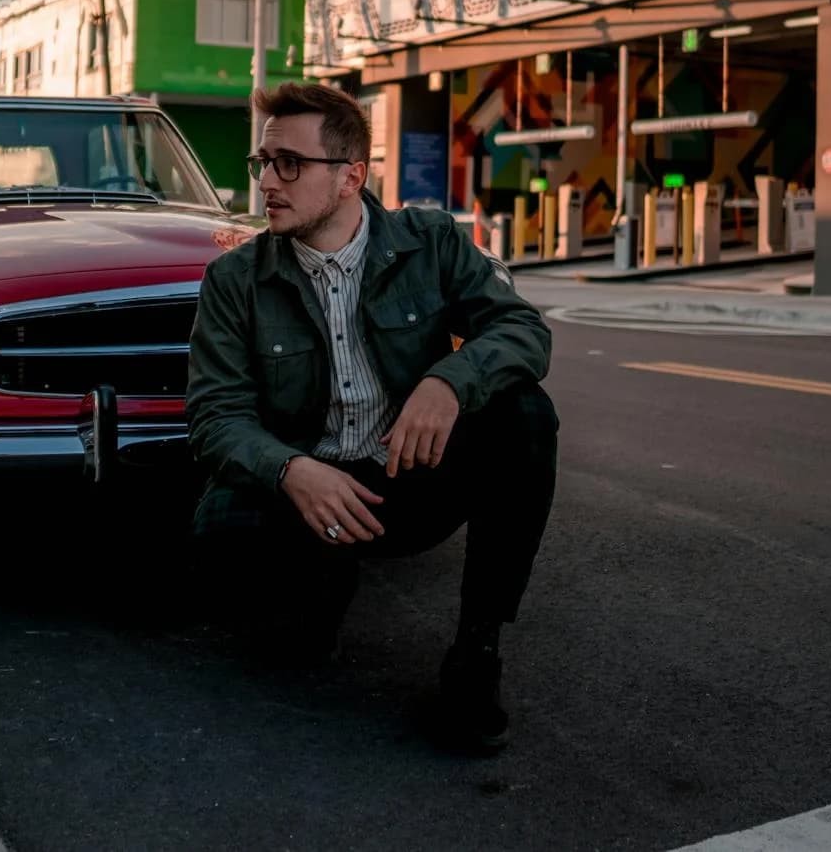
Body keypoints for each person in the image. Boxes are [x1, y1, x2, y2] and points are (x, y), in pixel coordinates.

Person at [186, 81, 558, 754]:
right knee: (222, 527)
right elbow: (215, 417)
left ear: (351, 175)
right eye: (263, 163)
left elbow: (522, 330)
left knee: (524, 414)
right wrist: (292, 469)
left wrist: (450, 381)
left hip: (407, 477)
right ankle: (317, 594)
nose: (268, 180)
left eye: (289, 163)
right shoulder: (235, 280)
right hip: (309, 495)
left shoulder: (430, 241)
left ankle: (476, 652)